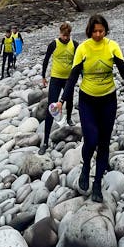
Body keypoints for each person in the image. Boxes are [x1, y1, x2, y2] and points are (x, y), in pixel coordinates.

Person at [53, 14, 124, 202]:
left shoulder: (112, 46)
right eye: (95, 31)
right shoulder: (82, 48)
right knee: (91, 141)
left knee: (104, 143)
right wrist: (61, 101)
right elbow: (73, 77)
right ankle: (85, 168)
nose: (98, 34)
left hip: (108, 100)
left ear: (105, 30)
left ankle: (97, 182)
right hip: (87, 101)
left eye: (101, 31)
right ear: (89, 31)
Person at [39, 22, 79, 155]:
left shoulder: (75, 45)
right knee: (52, 107)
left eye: (68, 36)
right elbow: (46, 59)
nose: (66, 38)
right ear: (59, 33)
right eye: (63, 35)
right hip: (56, 78)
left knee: (69, 100)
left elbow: (80, 61)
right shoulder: (54, 44)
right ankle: (45, 141)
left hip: (69, 79)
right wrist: (43, 76)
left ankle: (68, 118)